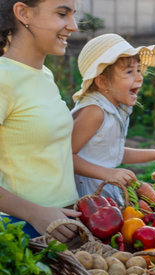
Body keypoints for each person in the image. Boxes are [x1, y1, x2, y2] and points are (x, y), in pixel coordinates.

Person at [0, 0, 81, 242]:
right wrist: (37, 214)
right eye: (62, 14)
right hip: (22, 232)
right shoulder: (4, 78)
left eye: (73, 15)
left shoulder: (44, 74)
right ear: (23, 13)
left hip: (62, 226)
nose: (73, 26)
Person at [71, 33, 155, 205]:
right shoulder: (94, 112)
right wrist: (107, 173)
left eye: (138, 69)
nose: (139, 77)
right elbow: (65, 156)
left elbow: (113, 152)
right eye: (129, 72)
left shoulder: (113, 108)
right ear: (102, 81)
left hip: (103, 190)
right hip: (87, 197)